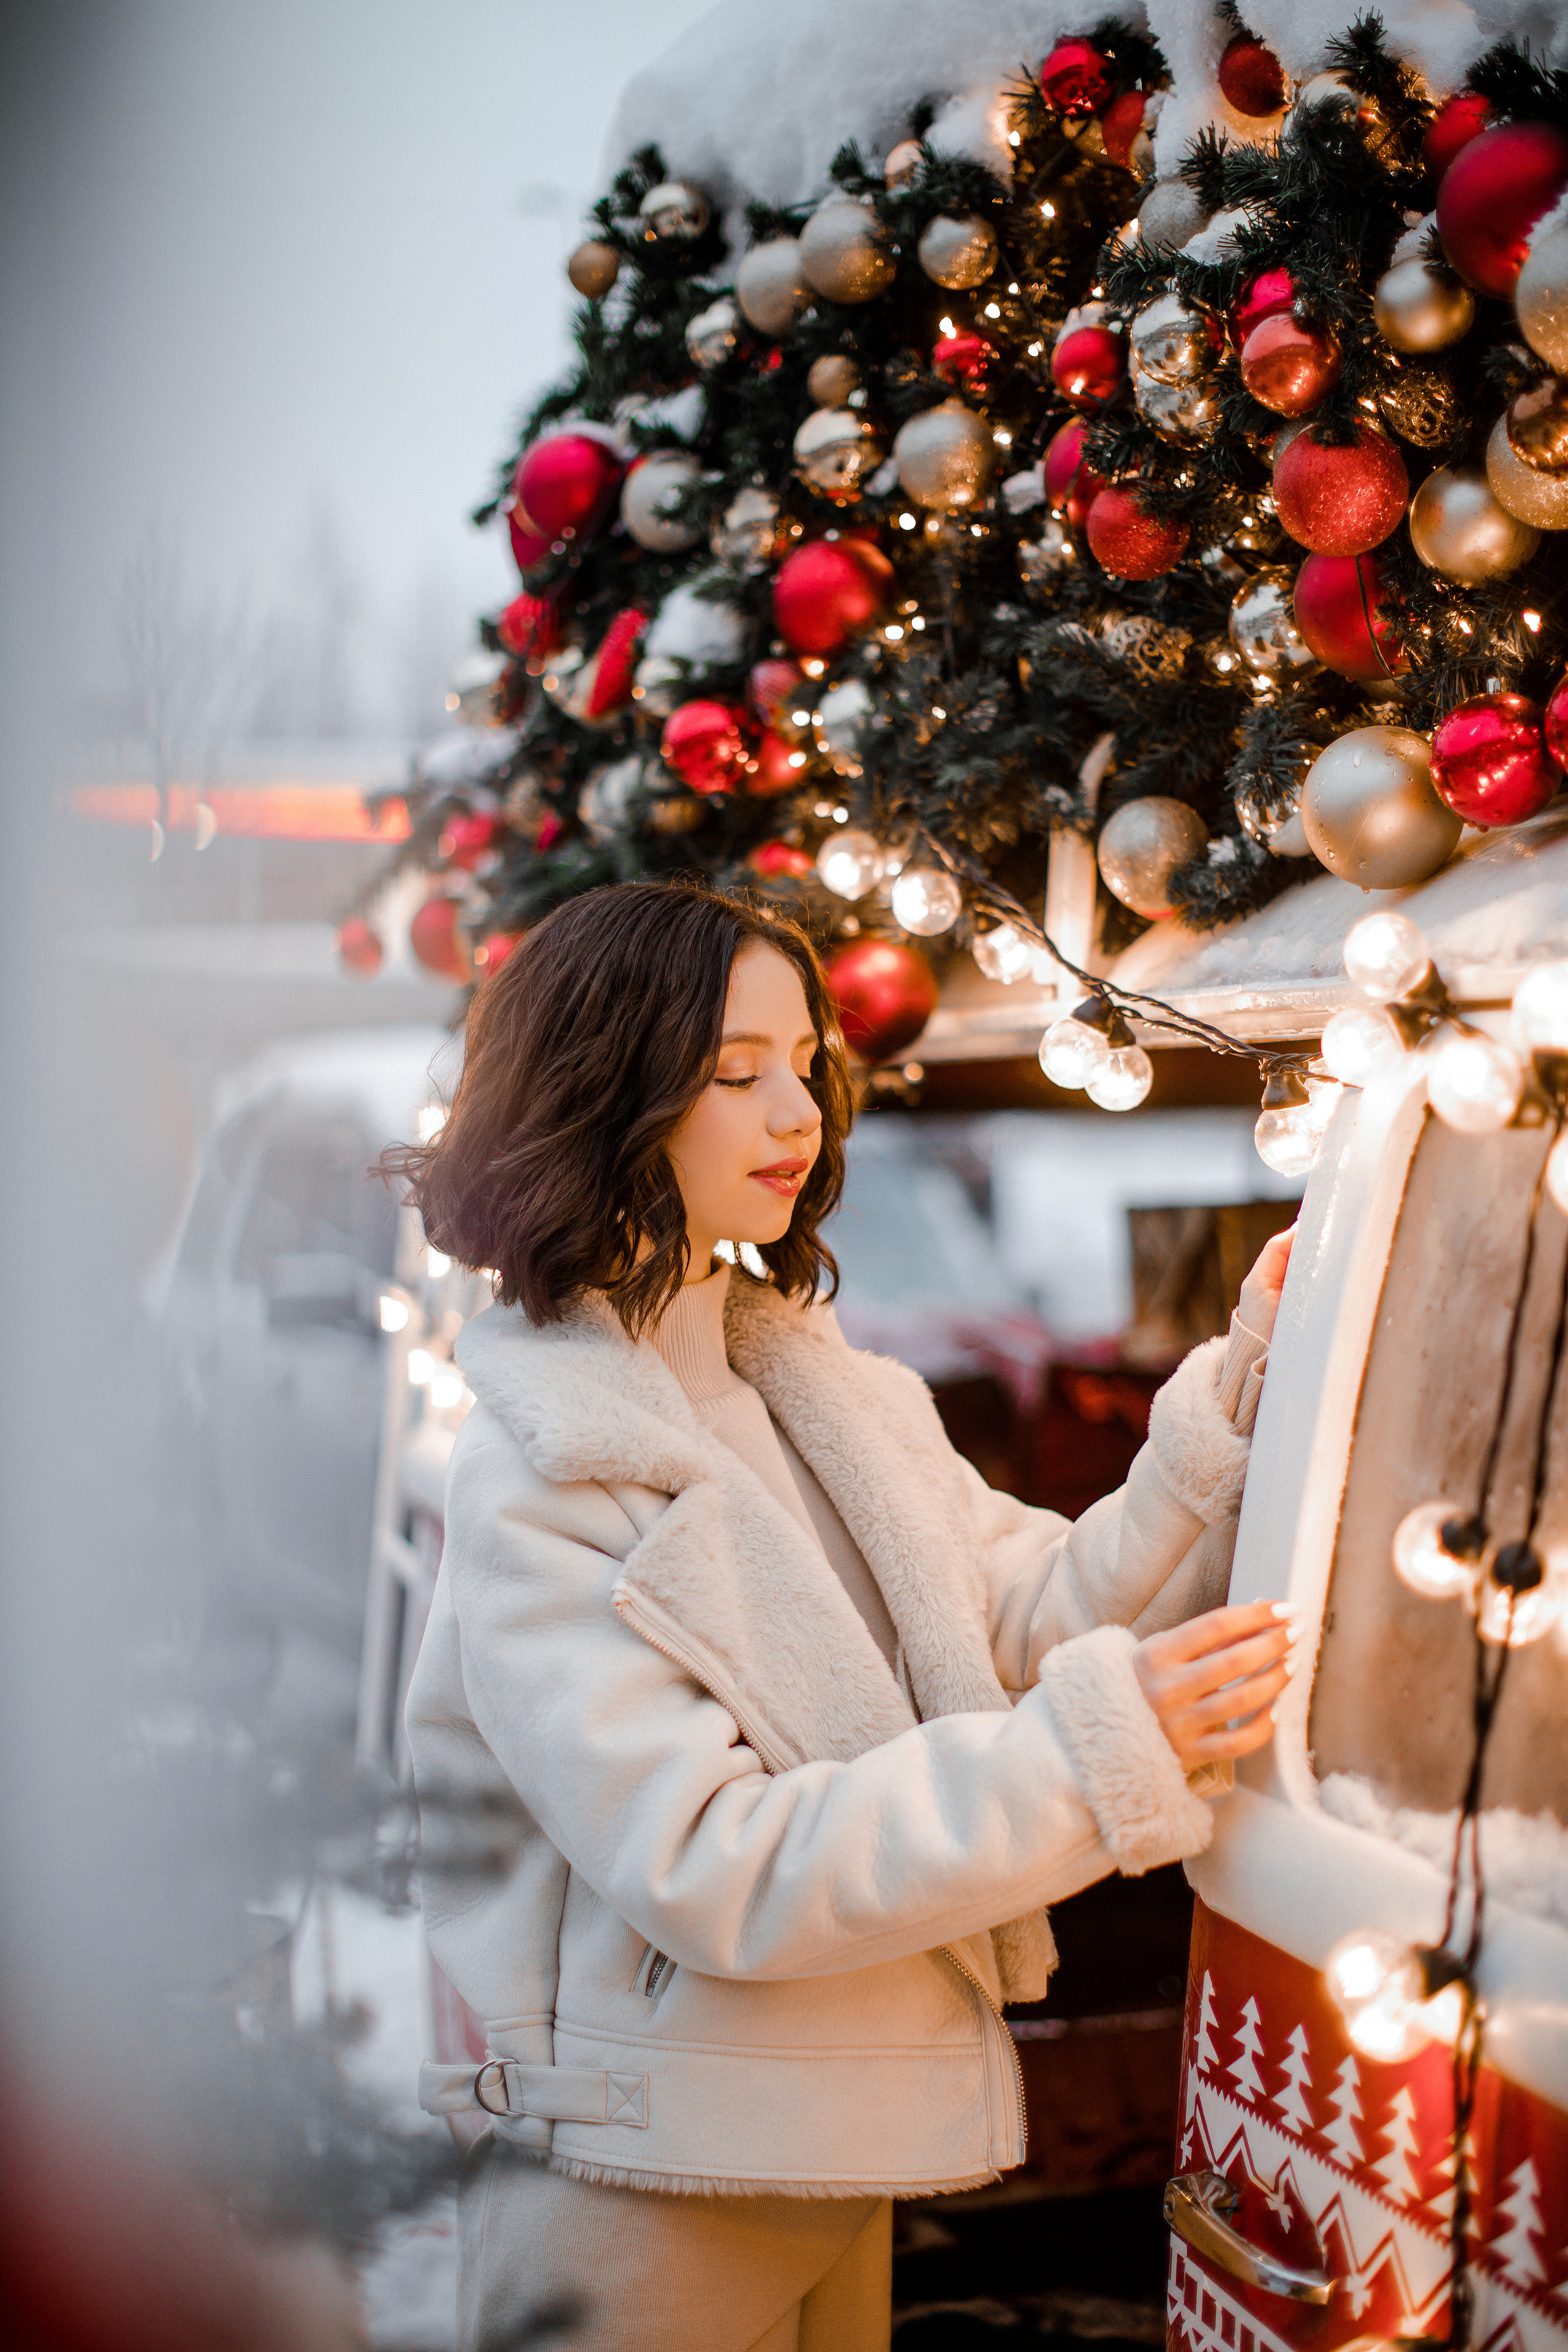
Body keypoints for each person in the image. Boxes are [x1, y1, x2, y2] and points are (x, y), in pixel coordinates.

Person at [395, 881, 1296, 2352]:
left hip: (829, 2141)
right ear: (603, 1089)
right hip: (647, 2180)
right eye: (733, 1074)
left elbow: (1026, 1614)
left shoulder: (826, 1397)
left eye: (803, 1064)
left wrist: (1245, 1383)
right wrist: (1086, 1759)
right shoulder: (546, 1471)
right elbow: (712, 1865)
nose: (793, 1112)